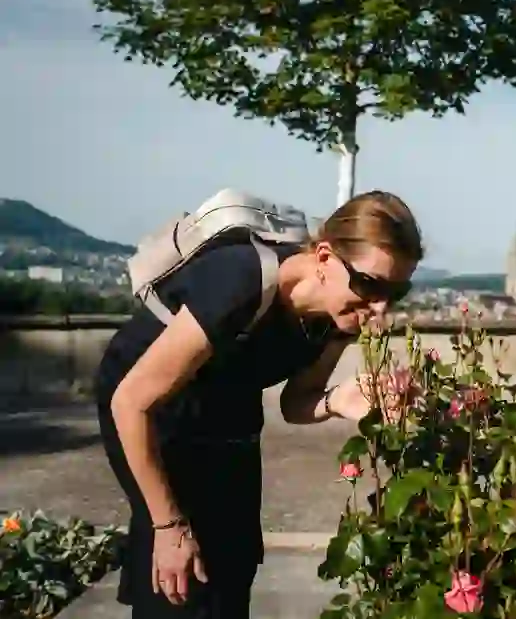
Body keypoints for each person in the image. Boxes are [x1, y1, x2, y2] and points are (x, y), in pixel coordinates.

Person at [93, 191, 422, 619]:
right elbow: (130, 402)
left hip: (224, 404)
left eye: (396, 292)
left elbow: (296, 403)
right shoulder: (242, 282)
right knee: (181, 568)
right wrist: (168, 526)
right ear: (324, 257)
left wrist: (337, 401)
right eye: (369, 284)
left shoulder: (339, 318)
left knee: (234, 559)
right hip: (153, 410)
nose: (380, 309)